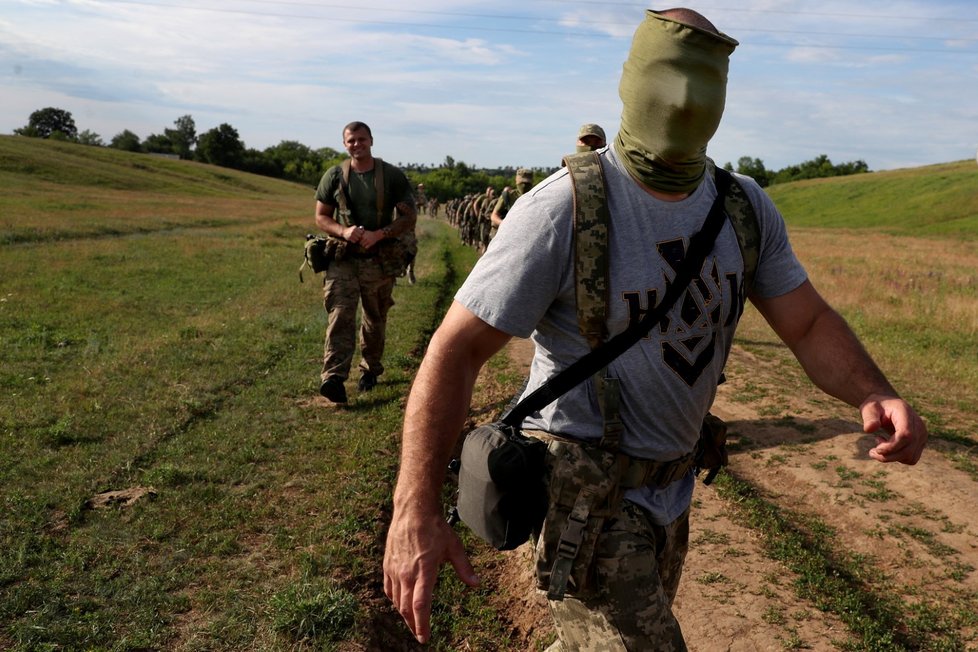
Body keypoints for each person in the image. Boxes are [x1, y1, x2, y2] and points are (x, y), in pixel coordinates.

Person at [383, 8, 927, 650]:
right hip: (585, 502)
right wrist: (412, 505)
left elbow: (806, 322)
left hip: (671, 495)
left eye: (706, 82)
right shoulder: (562, 209)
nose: (686, 99)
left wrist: (872, 391)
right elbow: (456, 350)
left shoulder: (744, 208)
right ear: (633, 81)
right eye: (670, 75)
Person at [313, 121, 416, 404]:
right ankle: (333, 378)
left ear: (371, 140)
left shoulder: (392, 176)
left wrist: (379, 234)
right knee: (340, 315)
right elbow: (321, 216)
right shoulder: (334, 175)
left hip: (378, 260)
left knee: (374, 318)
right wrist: (344, 231)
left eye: (361, 139)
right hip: (343, 258)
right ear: (344, 144)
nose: (356, 144)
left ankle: (370, 369)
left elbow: (409, 217)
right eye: (351, 140)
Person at [490, 168, 533, 235]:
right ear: (516, 181)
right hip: (505, 233)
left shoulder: (534, 197)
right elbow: (494, 215)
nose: (524, 186)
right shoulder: (508, 196)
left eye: (527, 183)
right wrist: (505, 224)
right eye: (522, 183)